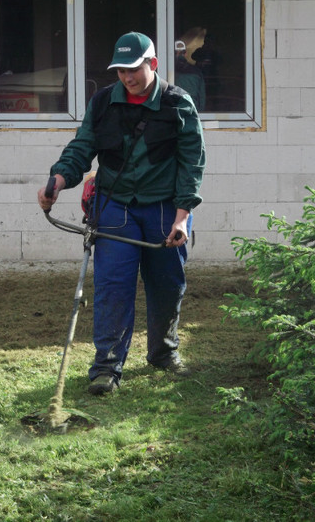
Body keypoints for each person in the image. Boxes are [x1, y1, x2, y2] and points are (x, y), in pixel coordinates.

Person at [37, 32, 205, 396]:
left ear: (153, 65)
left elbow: (192, 164)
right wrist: (58, 179)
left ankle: (163, 353)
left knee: (167, 286)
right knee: (113, 287)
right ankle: (107, 368)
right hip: (115, 207)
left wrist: (182, 217)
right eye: (121, 71)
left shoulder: (178, 104)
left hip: (164, 209)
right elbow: (81, 149)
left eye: (134, 69)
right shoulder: (102, 104)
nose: (128, 78)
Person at [174, 40, 206, 111]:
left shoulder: (167, 71)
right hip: (193, 111)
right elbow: (202, 96)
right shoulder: (196, 71)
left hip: (174, 113)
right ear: (185, 54)